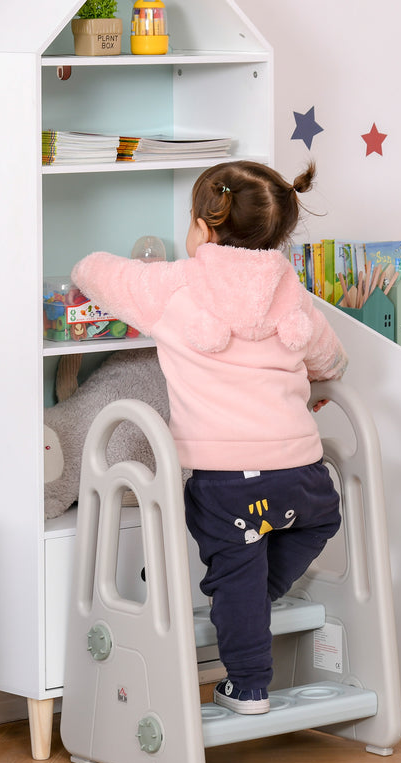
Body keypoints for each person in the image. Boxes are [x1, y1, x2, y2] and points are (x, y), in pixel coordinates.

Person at [71, 160, 347, 715]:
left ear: (203, 226)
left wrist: (84, 264)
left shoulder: (175, 285)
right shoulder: (293, 294)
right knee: (322, 521)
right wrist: (313, 378)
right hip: (302, 470)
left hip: (226, 481)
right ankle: (248, 596)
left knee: (236, 573)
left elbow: (96, 273)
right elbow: (331, 360)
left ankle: (247, 686)